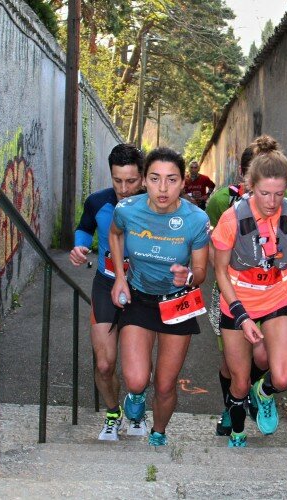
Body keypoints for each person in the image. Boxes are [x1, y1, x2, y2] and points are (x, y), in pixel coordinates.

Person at [211, 135, 287, 447]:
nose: (271, 201)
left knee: (281, 378)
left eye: (279, 194)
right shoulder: (230, 218)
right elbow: (220, 270)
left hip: (276, 297)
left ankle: (264, 392)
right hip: (237, 301)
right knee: (238, 379)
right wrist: (240, 316)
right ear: (250, 187)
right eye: (264, 193)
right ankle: (238, 432)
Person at [108, 147, 211, 446]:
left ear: (183, 182)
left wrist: (189, 276)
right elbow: (115, 235)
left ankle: (158, 433)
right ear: (144, 180)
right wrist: (120, 277)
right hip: (139, 298)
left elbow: (202, 269)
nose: (162, 188)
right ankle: (136, 395)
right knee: (137, 379)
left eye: (171, 180)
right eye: (155, 179)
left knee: (165, 385)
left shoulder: (195, 219)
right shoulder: (126, 209)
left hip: (177, 302)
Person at [69, 143, 145, 440]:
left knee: (137, 370)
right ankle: (114, 414)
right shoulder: (97, 201)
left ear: (142, 177)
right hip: (106, 283)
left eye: (131, 181)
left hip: (143, 288)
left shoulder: (156, 205)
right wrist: (79, 246)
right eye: (117, 180)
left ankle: (137, 406)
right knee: (104, 363)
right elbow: (84, 229)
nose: (124, 189)